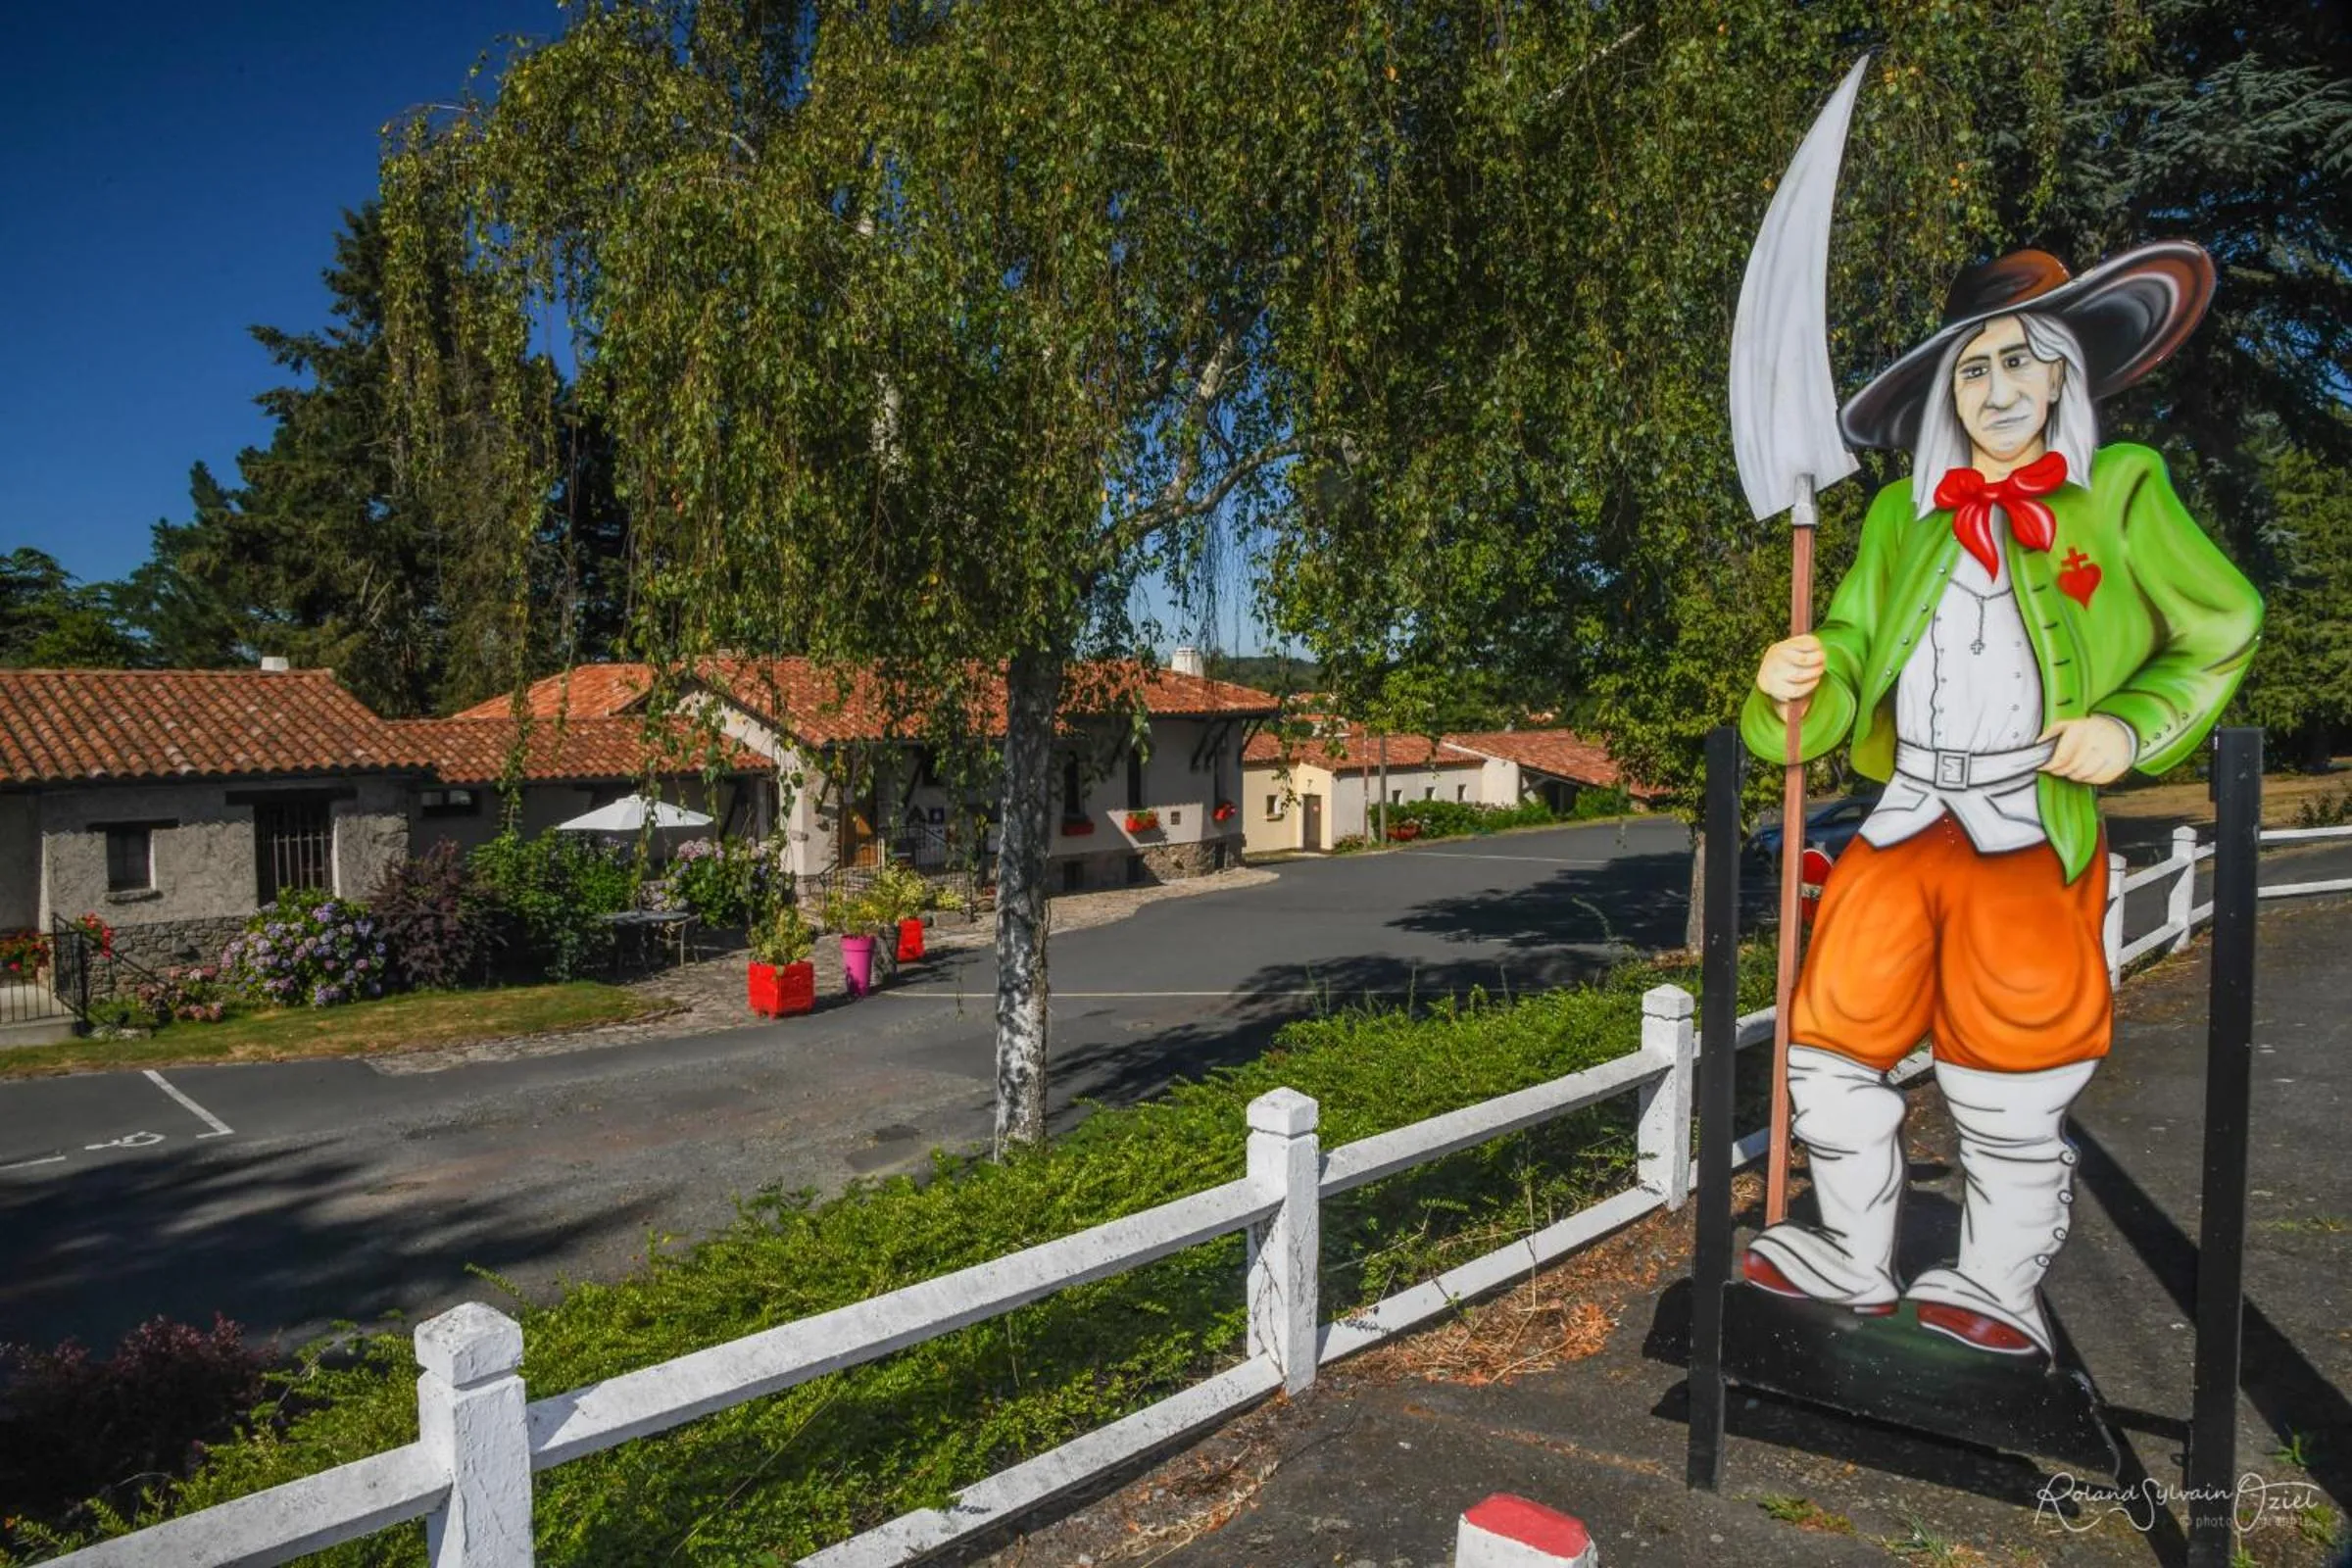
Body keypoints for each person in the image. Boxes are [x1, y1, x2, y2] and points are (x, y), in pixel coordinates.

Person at [1740, 243, 2263, 1357]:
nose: (1998, 390)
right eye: (1973, 371)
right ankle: (1851, 1251)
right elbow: (1846, 648)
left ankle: (1993, 1279)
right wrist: (1799, 679)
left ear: (2068, 375)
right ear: (1946, 394)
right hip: (1902, 824)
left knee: (2009, 1077)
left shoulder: (2120, 495)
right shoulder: (1899, 522)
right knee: (1829, 1052)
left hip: (2028, 832)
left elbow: (2222, 625)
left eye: (2023, 363)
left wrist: (2131, 726)